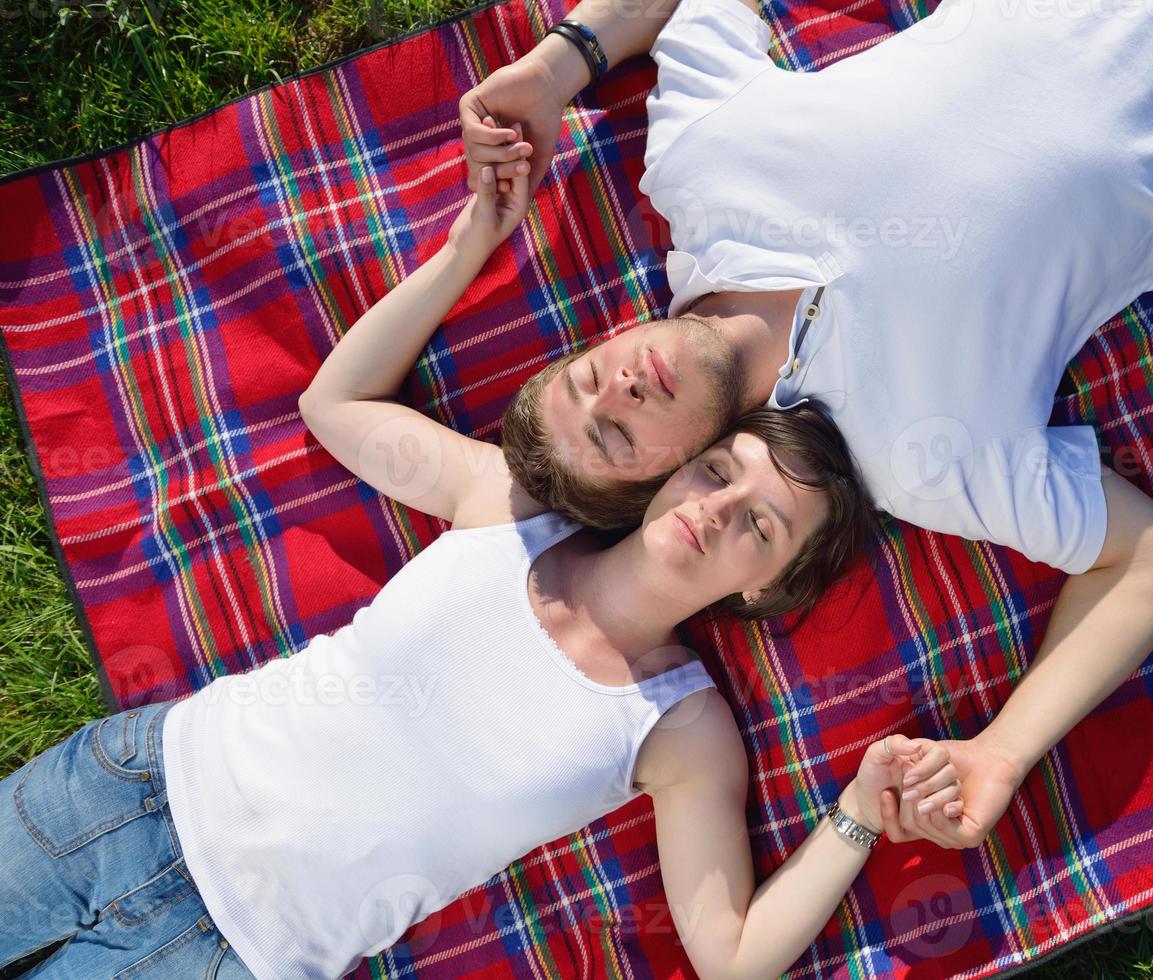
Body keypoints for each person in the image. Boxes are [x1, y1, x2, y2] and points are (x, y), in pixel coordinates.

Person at [454, 0, 1153, 849]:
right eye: (618, 437)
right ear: (666, 482)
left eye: (587, 377)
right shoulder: (918, 456)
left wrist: (557, 66)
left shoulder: (694, 165)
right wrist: (999, 749)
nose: (618, 390)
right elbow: (1149, 555)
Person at [0, 169, 960, 979]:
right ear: (673, 467)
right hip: (135, 785)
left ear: (769, 585)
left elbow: (730, 955)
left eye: (757, 524)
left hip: (229, 952)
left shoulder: (683, 731)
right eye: (714, 472)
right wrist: (468, 245)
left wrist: (856, 813)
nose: (711, 509)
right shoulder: (508, 505)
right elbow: (335, 403)